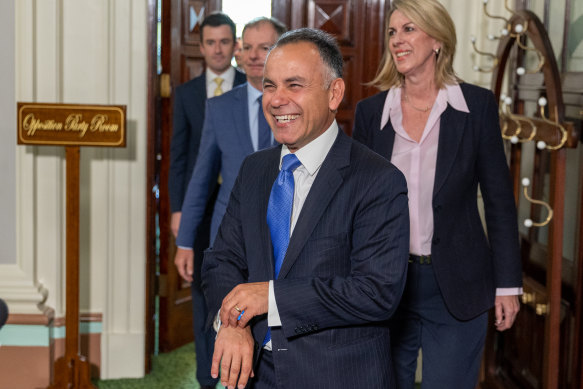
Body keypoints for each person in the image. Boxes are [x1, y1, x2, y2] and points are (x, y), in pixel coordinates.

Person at [201, 28, 410, 389]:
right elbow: (221, 260)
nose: (277, 100)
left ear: (334, 93)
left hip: (338, 377)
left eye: (294, 85)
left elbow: (376, 293)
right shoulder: (254, 169)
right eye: (269, 86)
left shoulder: (378, 180)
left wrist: (268, 297)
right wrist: (234, 323)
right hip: (257, 375)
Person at [352, 0, 523, 387]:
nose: (397, 40)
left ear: (438, 40)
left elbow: (498, 202)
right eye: (392, 32)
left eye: (409, 29)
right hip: (385, 284)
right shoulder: (370, 113)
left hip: (458, 284)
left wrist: (508, 284)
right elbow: (355, 206)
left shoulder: (476, 107)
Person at [167, 11, 245, 389]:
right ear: (201, 48)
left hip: (240, 202)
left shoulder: (256, 87)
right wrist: (178, 210)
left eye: (224, 41)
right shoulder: (186, 94)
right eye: (210, 42)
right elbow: (178, 157)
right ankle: (207, 377)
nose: (217, 49)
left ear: (234, 46)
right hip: (199, 211)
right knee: (204, 292)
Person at [174, 17, 286, 278]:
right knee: (224, 315)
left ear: (281, 50)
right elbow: (201, 178)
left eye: (264, 48)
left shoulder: (295, 105)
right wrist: (185, 242)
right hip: (229, 234)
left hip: (283, 234)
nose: (254, 56)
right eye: (247, 48)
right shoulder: (220, 107)